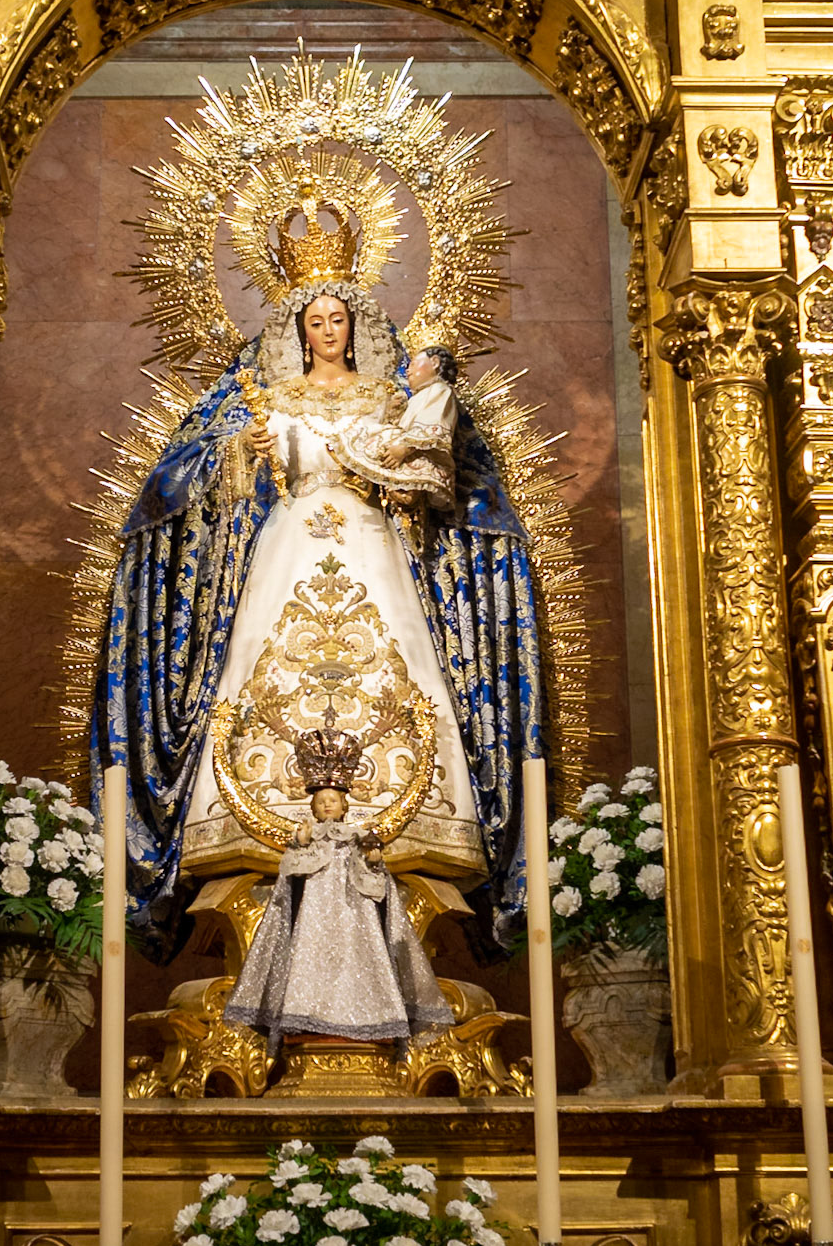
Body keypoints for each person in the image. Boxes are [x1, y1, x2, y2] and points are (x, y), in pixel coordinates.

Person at [91, 257, 545, 956]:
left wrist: (407, 463)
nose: (329, 330)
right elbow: (210, 481)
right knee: (260, 664)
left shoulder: (387, 396)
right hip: (289, 541)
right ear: (299, 333)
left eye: (338, 319)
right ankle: (255, 820)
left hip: (373, 546)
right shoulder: (270, 398)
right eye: (316, 322)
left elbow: (428, 470)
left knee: (401, 663)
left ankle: (412, 822)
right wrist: (242, 452)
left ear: (355, 328)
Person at [222, 721, 452, 1055]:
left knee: (357, 962)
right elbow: (291, 881)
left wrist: (373, 861)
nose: (326, 805)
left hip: (354, 917)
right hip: (313, 919)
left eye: (332, 800)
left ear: (345, 805)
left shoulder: (357, 839)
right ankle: (305, 1015)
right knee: (309, 962)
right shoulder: (307, 839)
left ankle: (368, 1017)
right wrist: (301, 847)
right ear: (312, 808)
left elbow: (375, 885)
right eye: (320, 801)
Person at [331, 344, 458, 514]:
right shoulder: (420, 396)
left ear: (434, 362)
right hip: (407, 459)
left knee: (377, 434)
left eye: (413, 364)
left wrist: (403, 449)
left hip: (420, 457)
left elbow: (432, 426)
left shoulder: (440, 390)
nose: (408, 370)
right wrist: (394, 413)